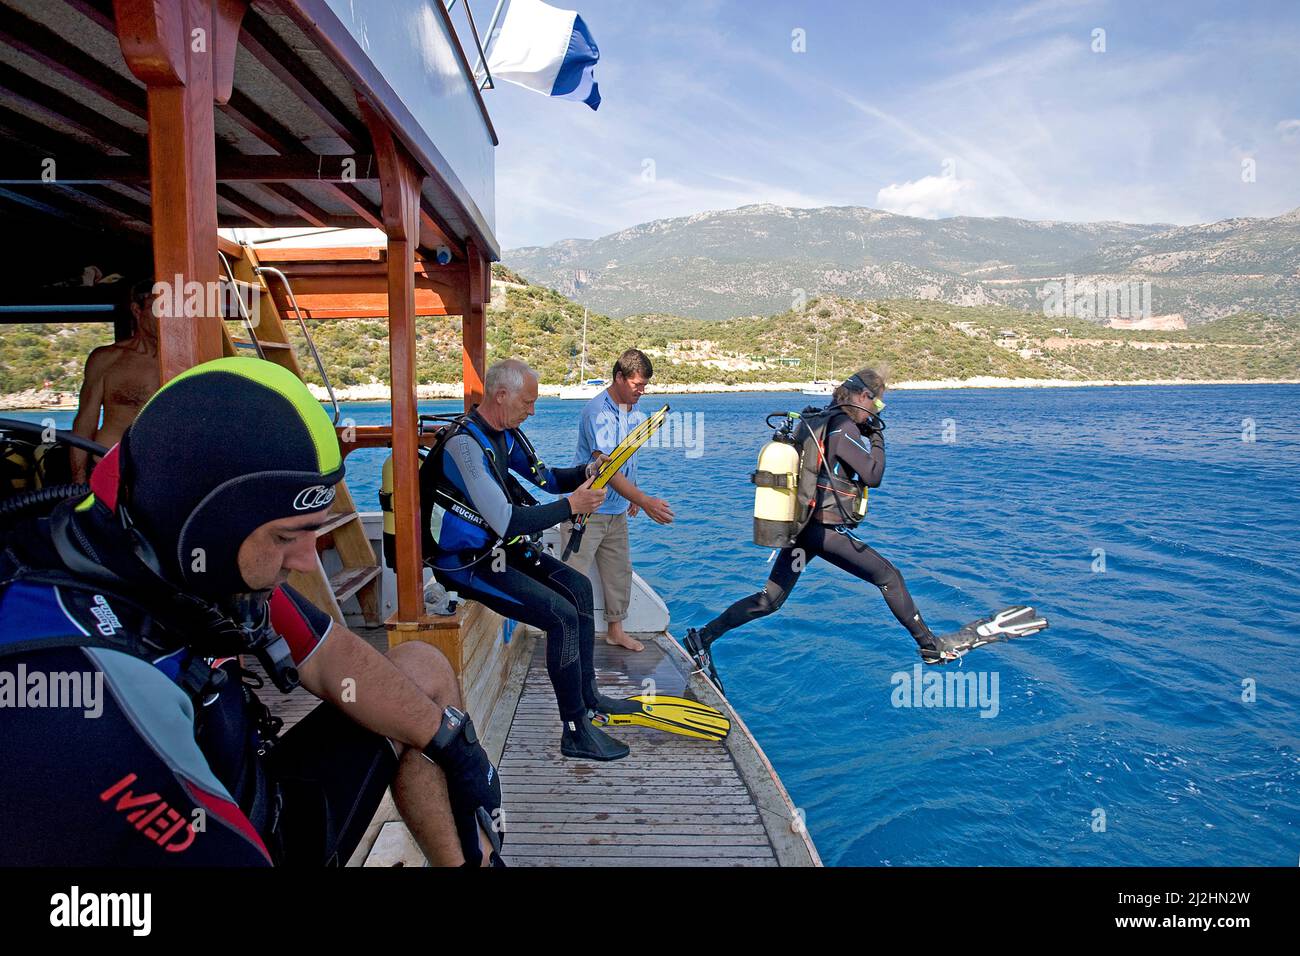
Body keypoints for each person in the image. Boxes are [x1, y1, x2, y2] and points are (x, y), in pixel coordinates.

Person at [0, 357, 503, 866]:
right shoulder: (93, 688)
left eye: (315, 529)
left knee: (420, 668)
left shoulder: (185, 553)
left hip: (261, 799)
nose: (309, 560)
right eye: (287, 536)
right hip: (215, 838)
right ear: (202, 527)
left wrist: (454, 743)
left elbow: (332, 660)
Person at [685, 368, 964, 688]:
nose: (877, 412)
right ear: (863, 397)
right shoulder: (843, 427)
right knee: (889, 577)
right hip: (822, 532)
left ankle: (703, 637)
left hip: (801, 527)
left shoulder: (817, 420)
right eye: (879, 405)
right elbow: (873, 474)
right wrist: (877, 437)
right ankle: (930, 647)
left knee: (770, 600)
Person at [423, 358, 639, 761]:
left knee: (579, 587)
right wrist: (571, 506)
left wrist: (590, 469)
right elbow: (506, 520)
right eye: (528, 401)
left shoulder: (506, 435)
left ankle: (589, 697)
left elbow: (549, 479)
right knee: (560, 615)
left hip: (498, 550)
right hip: (466, 564)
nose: (533, 410)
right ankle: (574, 730)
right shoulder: (465, 446)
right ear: (500, 395)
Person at [563, 349, 674, 652]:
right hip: (588, 510)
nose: (642, 391)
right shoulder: (597, 412)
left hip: (616, 510)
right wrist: (646, 501)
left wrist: (633, 495)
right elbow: (607, 468)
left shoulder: (634, 413)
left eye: (645, 386)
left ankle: (615, 631)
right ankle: (563, 636)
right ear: (619, 378)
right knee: (571, 575)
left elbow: (627, 459)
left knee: (618, 573)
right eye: (638, 384)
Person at [70, 281, 161, 482]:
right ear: (137, 310)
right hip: (110, 469)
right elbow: (85, 424)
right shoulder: (106, 360)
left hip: (165, 476)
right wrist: (78, 483)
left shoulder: (192, 360)